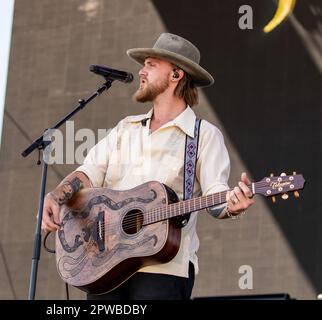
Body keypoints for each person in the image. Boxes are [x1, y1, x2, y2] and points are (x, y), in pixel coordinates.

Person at [41, 33, 255, 300]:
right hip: (104, 266)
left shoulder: (203, 135)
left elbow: (216, 195)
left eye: (151, 65)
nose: (141, 71)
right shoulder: (125, 129)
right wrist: (56, 196)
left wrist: (231, 205)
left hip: (165, 270)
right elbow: (89, 172)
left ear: (176, 74)